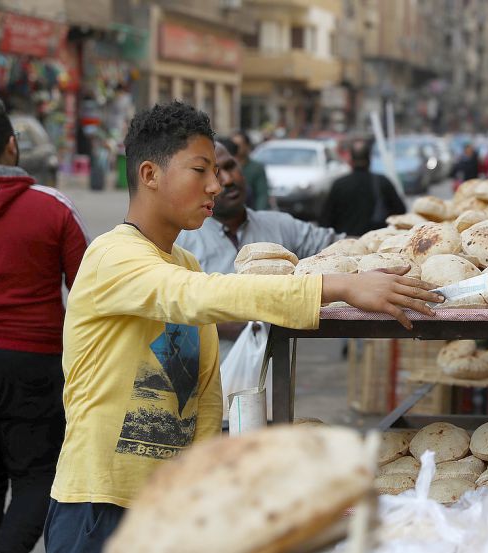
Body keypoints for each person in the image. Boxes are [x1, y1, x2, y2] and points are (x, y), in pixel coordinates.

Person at [44, 102, 442, 551]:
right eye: (200, 170)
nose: (217, 184)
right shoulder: (110, 256)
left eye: (217, 170)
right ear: (150, 174)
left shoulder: (185, 262)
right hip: (100, 506)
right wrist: (337, 287)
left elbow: (205, 396)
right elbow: (198, 296)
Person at [0, 101, 88, 553]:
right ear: (12, 146)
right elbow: (88, 291)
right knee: (38, 481)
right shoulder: (52, 207)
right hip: (32, 364)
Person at [176, 138, 342, 359]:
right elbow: (167, 318)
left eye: (229, 167)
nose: (227, 180)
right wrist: (223, 324)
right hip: (208, 380)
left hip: (273, 379)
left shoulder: (279, 225)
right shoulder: (180, 242)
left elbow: (341, 247)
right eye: (214, 173)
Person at [319, 140, 406, 237]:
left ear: (350, 160)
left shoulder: (339, 185)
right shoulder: (383, 182)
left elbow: (325, 220)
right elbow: (401, 212)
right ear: (370, 159)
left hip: (344, 244)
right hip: (376, 243)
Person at [231, 130, 270, 211]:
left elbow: (262, 195)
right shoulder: (224, 167)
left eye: (239, 145)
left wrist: (259, 215)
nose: (236, 148)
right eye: (233, 145)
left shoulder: (256, 168)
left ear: (247, 146)